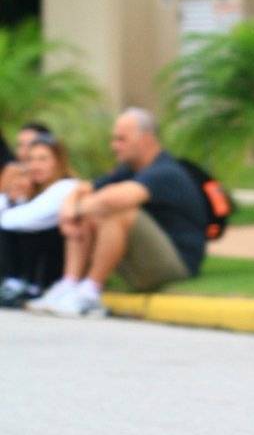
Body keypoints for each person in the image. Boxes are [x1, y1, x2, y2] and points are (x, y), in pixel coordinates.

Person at [32, 108, 206, 318]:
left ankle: (91, 291)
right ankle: (70, 283)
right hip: (143, 264)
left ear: (146, 139)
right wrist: (69, 209)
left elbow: (118, 199)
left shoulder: (166, 171)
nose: (114, 146)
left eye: (122, 139)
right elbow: (83, 188)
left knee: (115, 211)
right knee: (91, 209)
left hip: (177, 265)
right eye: (114, 139)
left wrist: (74, 211)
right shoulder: (129, 169)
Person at [0, 133, 78, 306]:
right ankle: (14, 282)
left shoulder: (65, 187)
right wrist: (13, 198)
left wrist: (7, 200)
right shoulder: (34, 193)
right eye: (31, 160)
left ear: (58, 161)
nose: (35, 165)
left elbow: (20, 221)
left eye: (43, 159)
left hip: (50, 272)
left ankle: (23, 284)